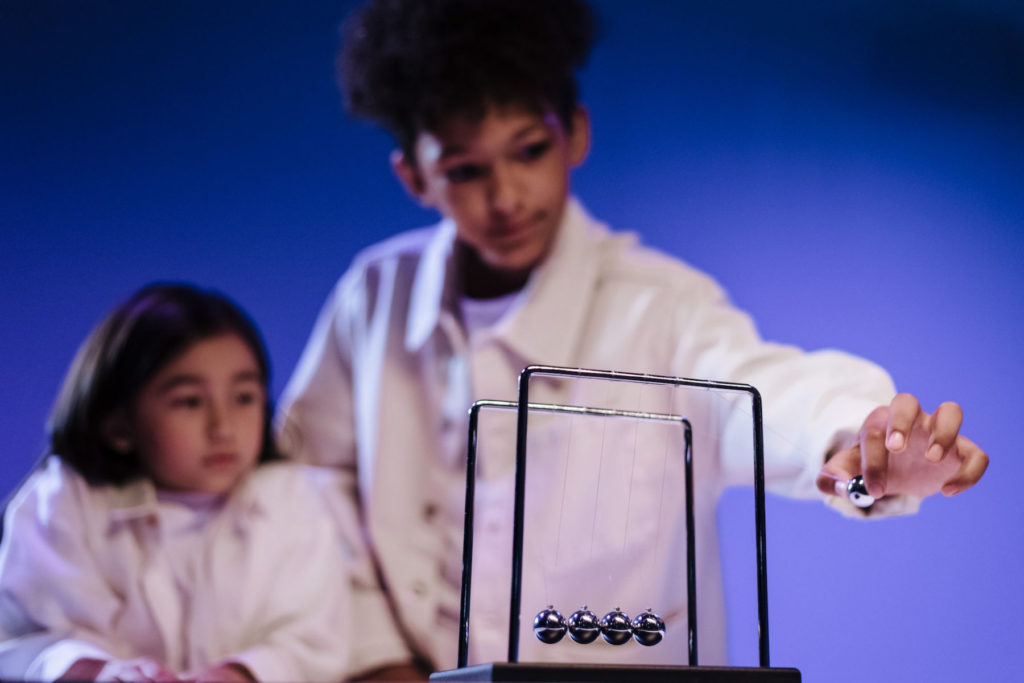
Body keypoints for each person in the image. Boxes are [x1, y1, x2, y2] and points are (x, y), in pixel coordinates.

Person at [276, 0, 989, 678]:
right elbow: (311, 481)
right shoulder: (371, 300)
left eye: (527, 150)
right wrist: (375, 656)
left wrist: (862, 444)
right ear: (414, 177)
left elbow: (762, 395)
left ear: (574, 133)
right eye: (465, 170)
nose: (505, 198)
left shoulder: (663, 309)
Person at [0, 284, 351, 682]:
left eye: (243, 397)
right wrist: (98, 671)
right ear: (119, 424)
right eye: (190, 402)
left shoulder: (294, 501)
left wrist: (238, 674)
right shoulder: (64, 505)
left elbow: (313, 640)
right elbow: (23, 639)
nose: (223, 427)